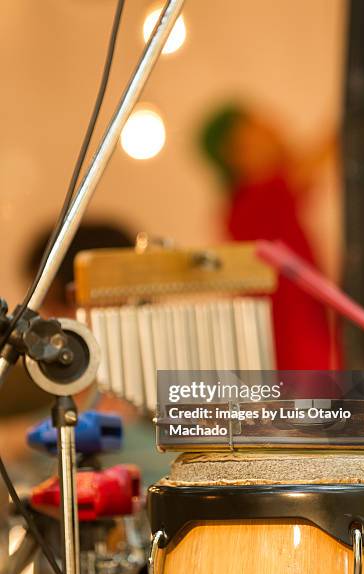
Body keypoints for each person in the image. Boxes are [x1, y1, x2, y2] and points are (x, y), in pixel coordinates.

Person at [0, 222, 174, 488]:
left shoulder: (168, 386)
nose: (49, 320)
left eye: (59, 302)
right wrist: (38, 434)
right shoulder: (23, 385)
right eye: (48, 304)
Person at [199, 103, 341, 369]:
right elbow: (313, 159)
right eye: (258, 127)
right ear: (235, 152)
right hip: (292, 341)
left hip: (287, 341)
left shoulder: (243, 204)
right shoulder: (257, 197)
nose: (274, 129)